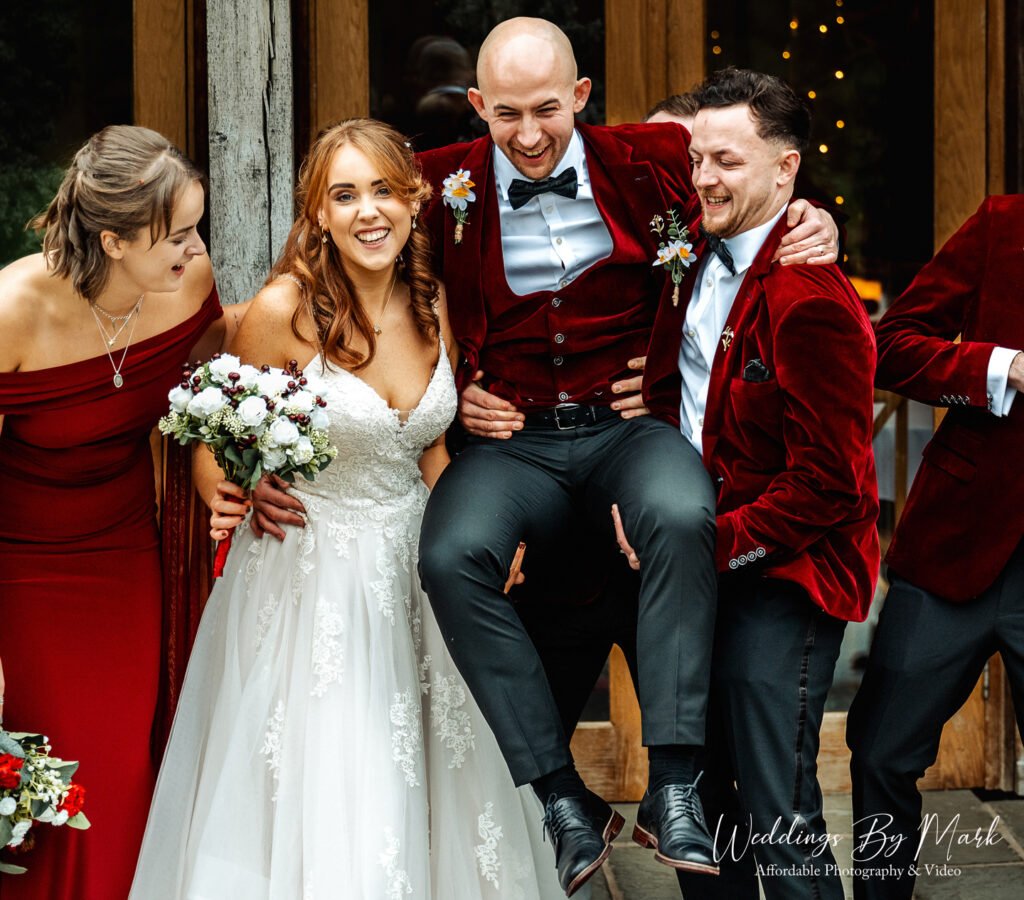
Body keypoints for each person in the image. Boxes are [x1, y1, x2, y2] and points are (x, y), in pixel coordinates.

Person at [129, 118, 563, 900]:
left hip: (420, 573)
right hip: (311, 581)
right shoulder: (284, 310)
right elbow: (215, 421)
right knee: (335, 779)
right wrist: (223, 480)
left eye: (385, 191)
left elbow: (427, 450)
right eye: (346, 194)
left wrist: (483, 533)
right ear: (319, 214)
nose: (369, 211)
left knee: (438, 773)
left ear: (414, 201)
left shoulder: (435, 306)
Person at [635, 68, 880, 900]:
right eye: (697, 158)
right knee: (702, 814)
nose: (704, 176)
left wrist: (707, 547)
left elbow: (831, 485)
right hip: (696, 571)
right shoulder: (686, 251)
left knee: (780, 816)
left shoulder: (809, 297)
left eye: (728, 161)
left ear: (787, 172)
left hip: (783, 575)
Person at [0, 125, 224, 900]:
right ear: (112, 241)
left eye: (197, 227)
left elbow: (211, 388)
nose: (196, 250)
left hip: (125, 555)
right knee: (46, 770)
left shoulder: (190, 284)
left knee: (121, 767)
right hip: (22, 566)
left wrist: (208, 463)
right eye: (177, 235)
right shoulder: (12, 309)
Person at [846, 196, 1024, 900]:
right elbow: (890, 346)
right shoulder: (1003, 225)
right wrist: (1002, 367)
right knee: (882, 752)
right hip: (958, 542)